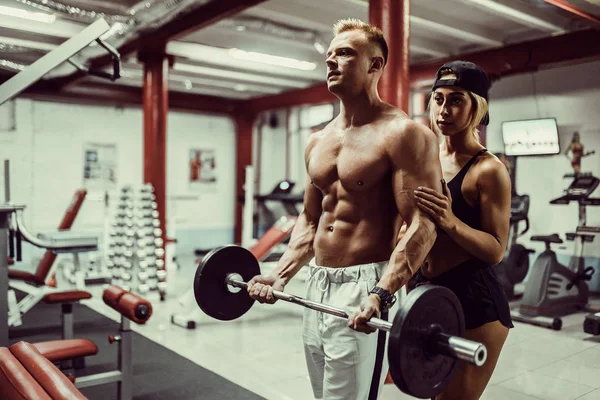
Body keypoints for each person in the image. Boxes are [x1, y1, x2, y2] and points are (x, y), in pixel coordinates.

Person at [246, 18, 443, 400]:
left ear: (375, 65)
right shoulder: (318, 140)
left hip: (366, 284)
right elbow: (309, 218)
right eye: (329, 57)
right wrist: (281, 274)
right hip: (318, 282)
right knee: (324, 394)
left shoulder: (404, 134)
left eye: (346, 54)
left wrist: (383, 293)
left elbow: (423, 223)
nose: (332, 63)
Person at [404, 61, 514, 400]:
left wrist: (450, 222)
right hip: (426, 292)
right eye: (438, 99)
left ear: (478, 108)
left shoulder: (488, 170)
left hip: (474, 301)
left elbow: (496, 249)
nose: (443, 110)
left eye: (456, 100)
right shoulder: (424, 158)